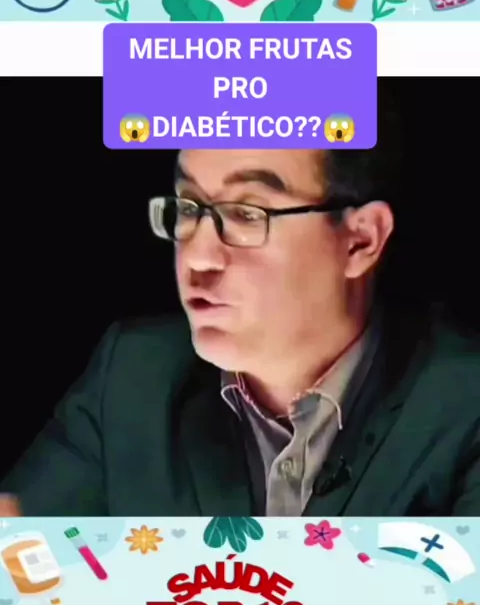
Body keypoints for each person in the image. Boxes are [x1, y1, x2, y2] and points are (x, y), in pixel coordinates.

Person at [1, 114, 479, 517]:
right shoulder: (132, 375)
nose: (198, 256)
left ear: (361, 240)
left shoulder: (463, 406)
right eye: (189, 208)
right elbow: (20, 563)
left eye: (248, 213)